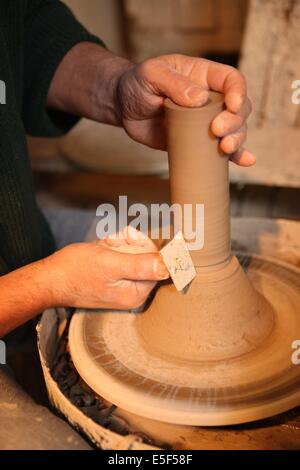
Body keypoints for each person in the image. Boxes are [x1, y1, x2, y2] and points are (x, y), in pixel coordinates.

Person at [0, 0, 254, 448]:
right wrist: (46, 284)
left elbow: (24, 31)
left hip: (18, 233)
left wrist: (117, 87)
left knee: (131, 226)